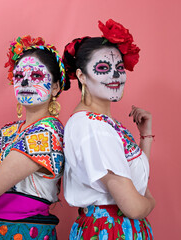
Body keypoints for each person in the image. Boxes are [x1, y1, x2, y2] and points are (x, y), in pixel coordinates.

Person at [0, 35, 68, 240]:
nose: (25, 81)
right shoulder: (7, 131)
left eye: (36, 75)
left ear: (55, 87)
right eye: (18, 76)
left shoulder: (47, 132)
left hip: (27, 234)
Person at [62, 19, 156, 239]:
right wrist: (151, 202)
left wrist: (146, 136)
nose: (115, 76)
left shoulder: (99, 122)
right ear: (82, 76)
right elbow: (133, 206)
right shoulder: (93, 127)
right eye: (103, 68)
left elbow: (135, 180)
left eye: (119, 68)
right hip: (110, 230)